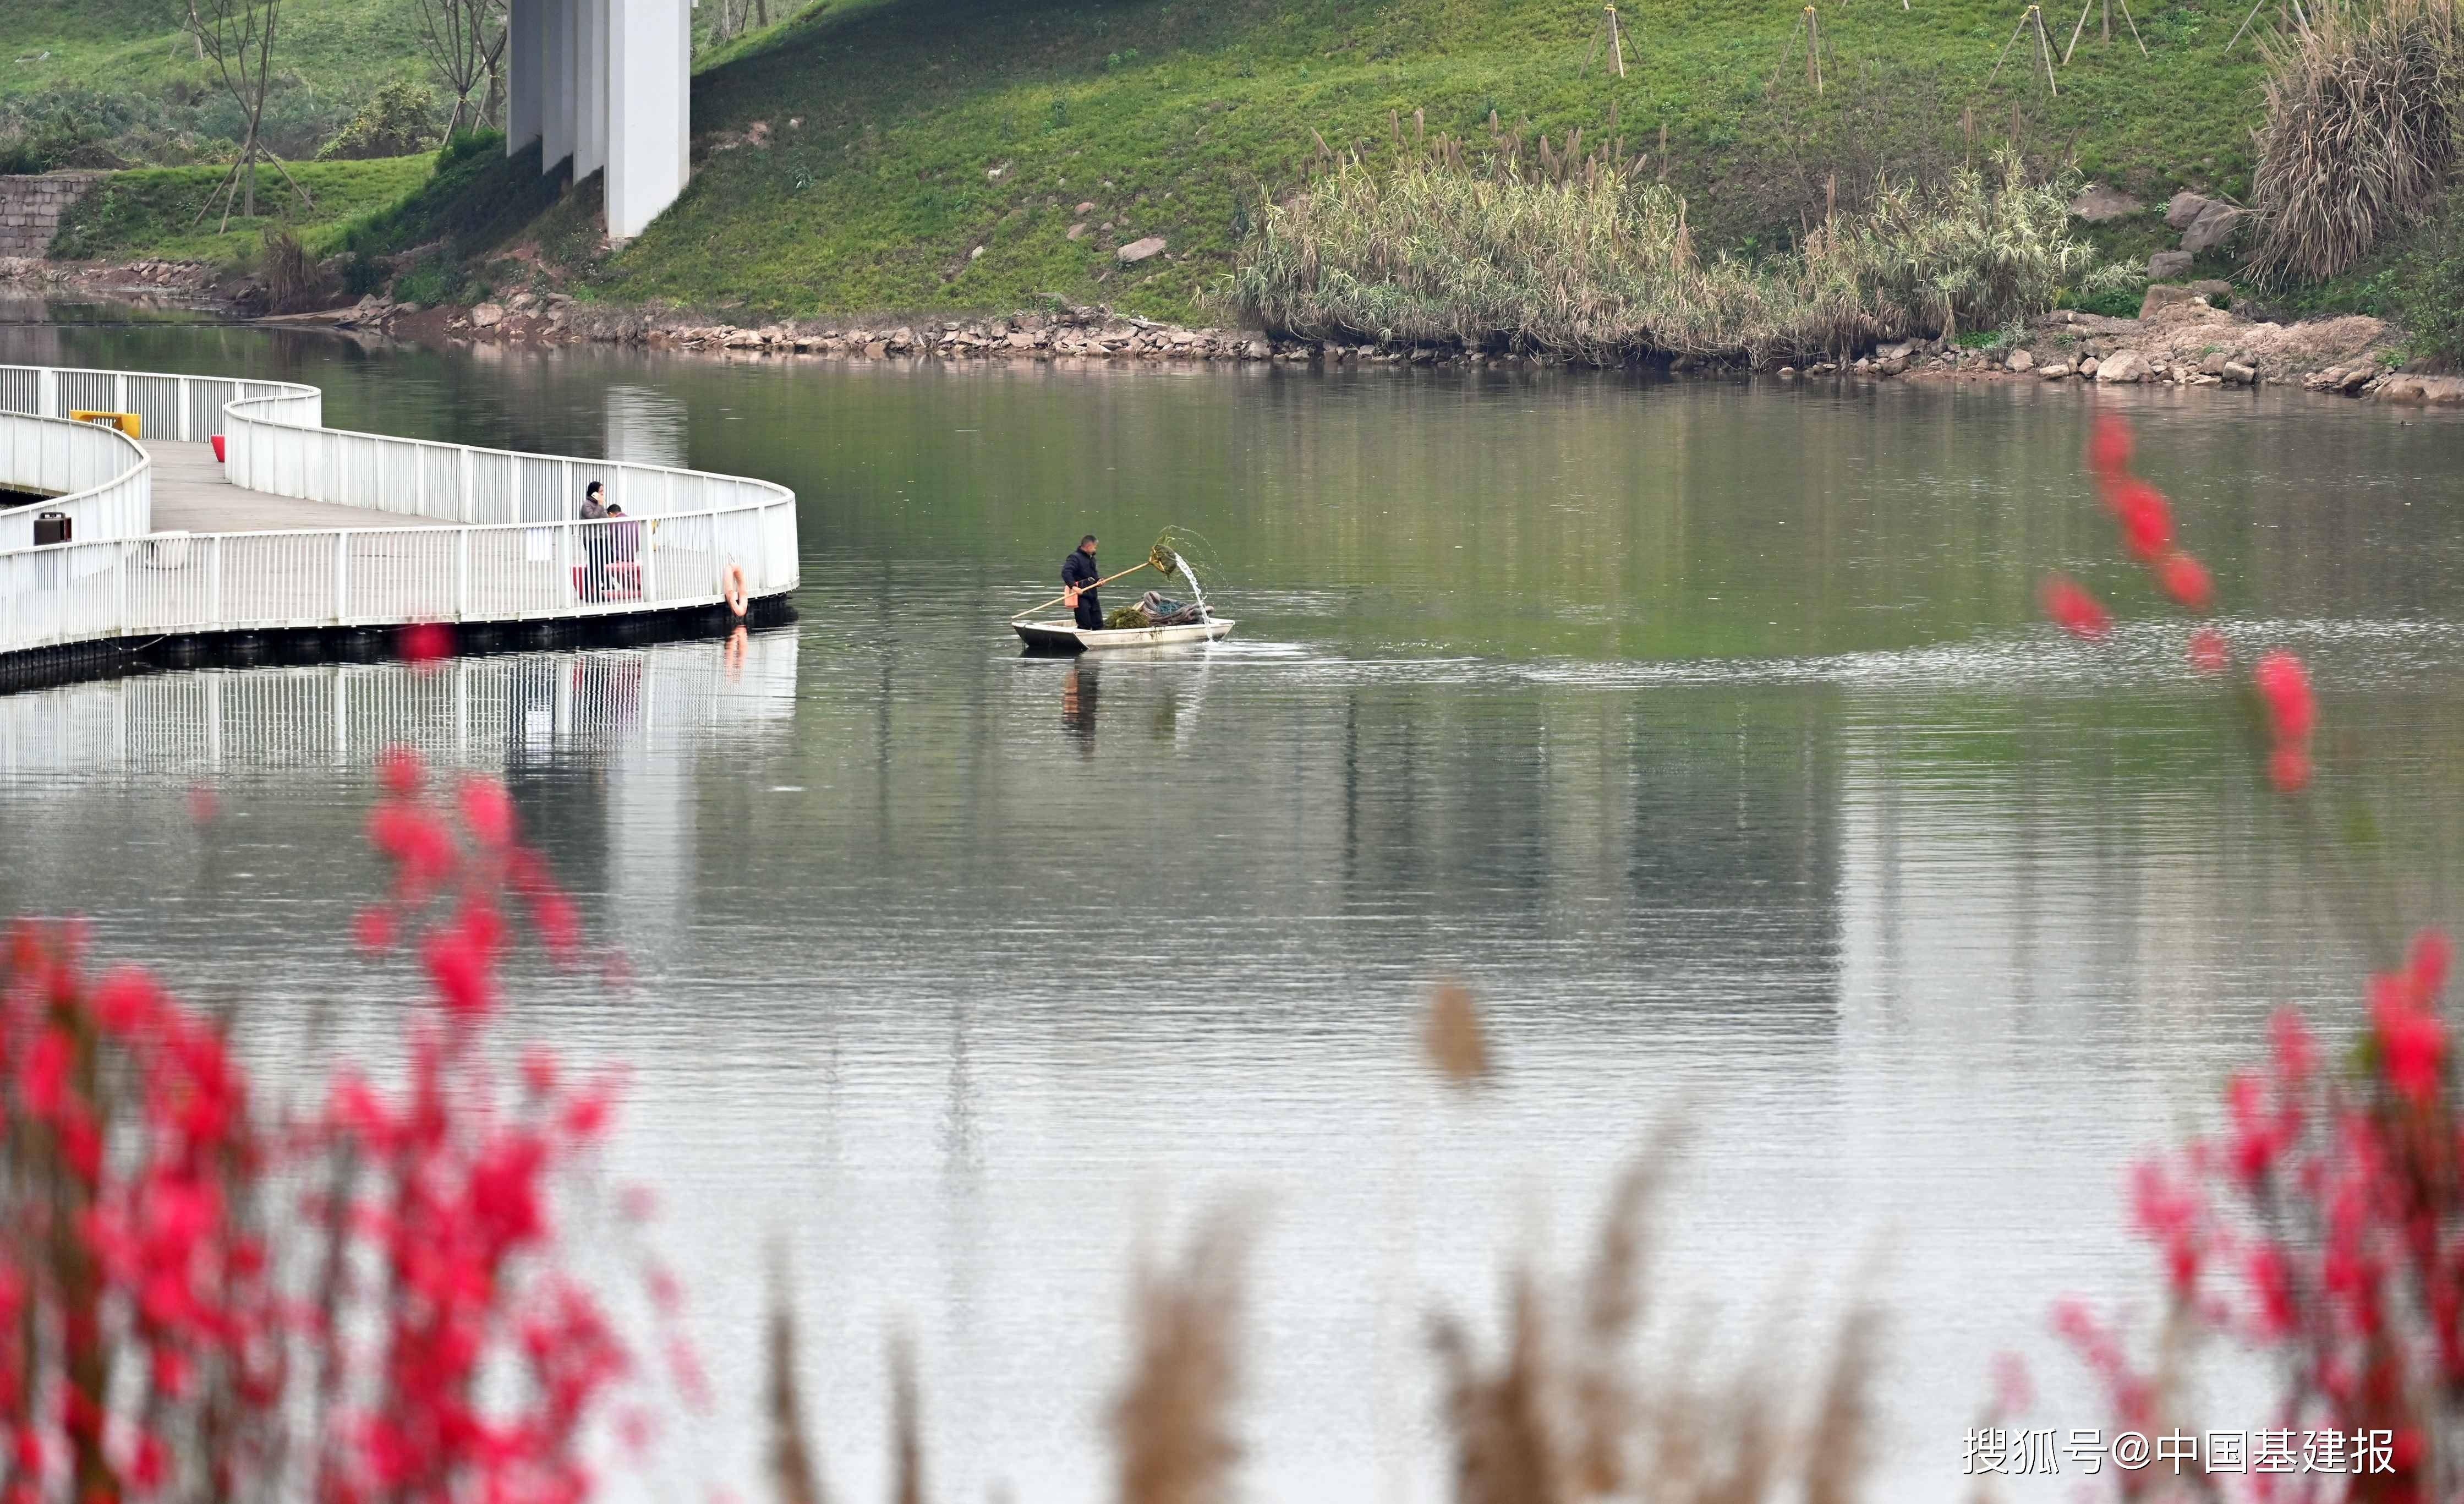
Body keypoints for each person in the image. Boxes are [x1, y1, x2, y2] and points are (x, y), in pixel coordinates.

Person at [1063, 534, 1103, 631]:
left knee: (1098, 623)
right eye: (1094, 547)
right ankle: (1081, 641)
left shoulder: (1092, 559)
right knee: (1085, 624)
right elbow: (1066, 572)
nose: (1095, 550)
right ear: (1089, 547)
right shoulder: (1075, 558)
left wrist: (1099, 581)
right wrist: (1074, 587)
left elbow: (1094, 574)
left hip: (1093, 595)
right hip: (1081, 596)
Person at [579, 482, 609, 601]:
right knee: (593, 565)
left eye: (603, 491)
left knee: (600, 565)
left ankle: (597, 590)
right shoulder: (587, 505)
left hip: (603, 539)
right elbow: (593, 518)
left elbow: (605, 519)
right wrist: (601, 506)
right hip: (592, 539)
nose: (602, 494)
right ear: (594, 493)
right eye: (600, 492)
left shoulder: (599, 504)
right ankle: (588, 591)